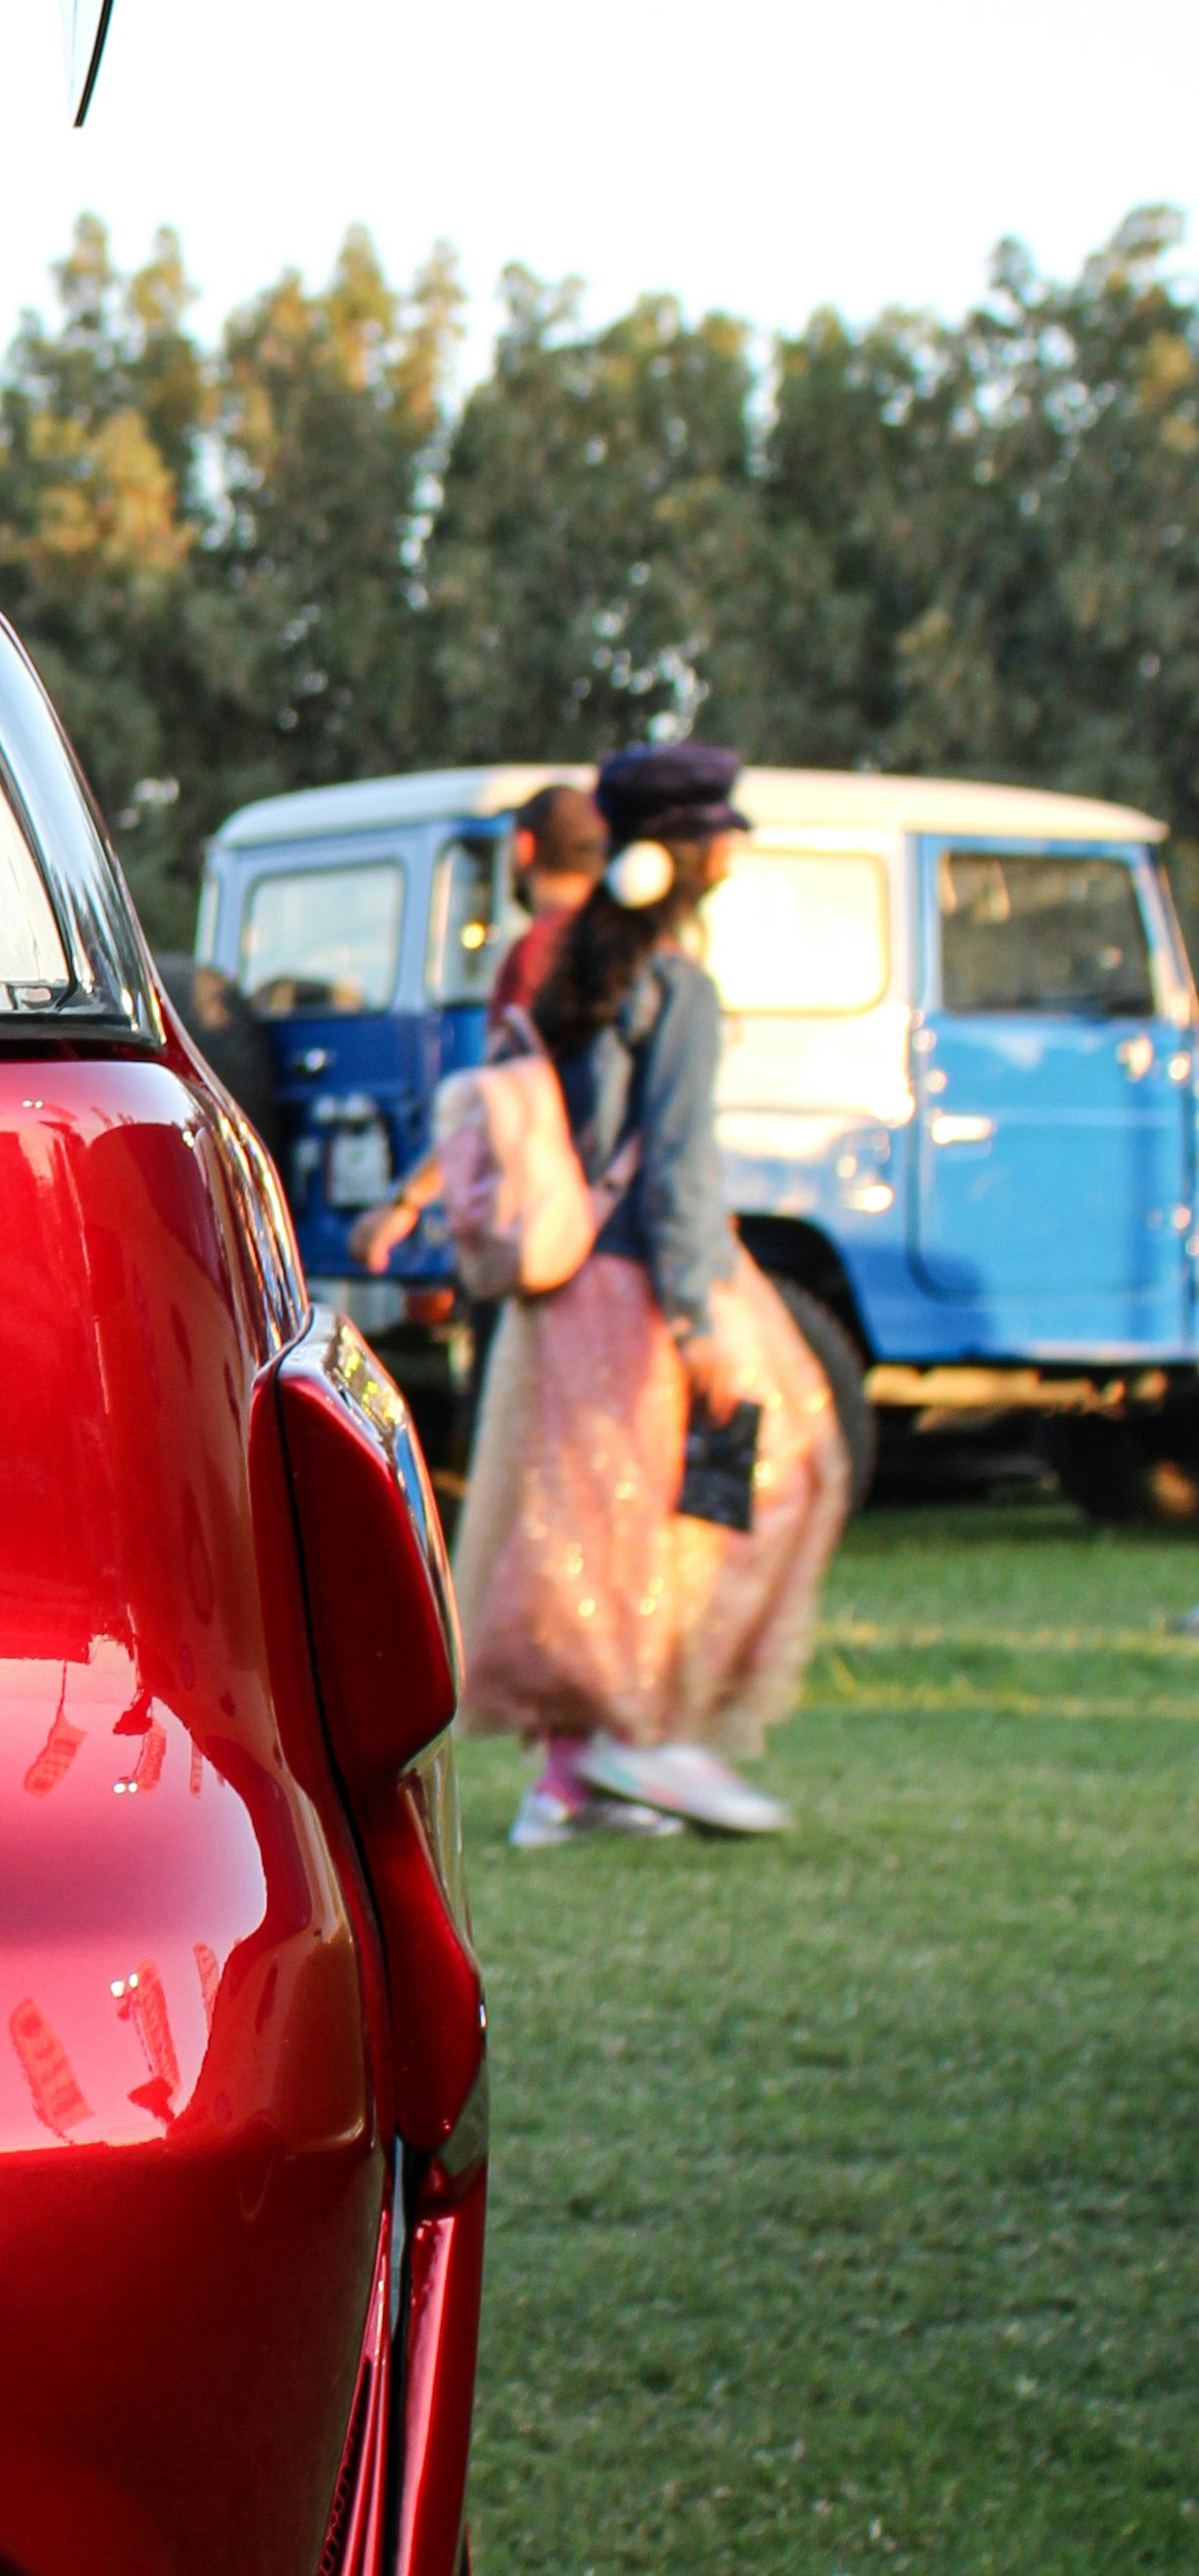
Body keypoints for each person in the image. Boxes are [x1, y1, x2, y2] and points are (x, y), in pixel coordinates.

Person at [454, 737, 853, 1845]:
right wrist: (694, 1322)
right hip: (642, 1286)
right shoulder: (673, 985)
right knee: (768, 1474)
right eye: (716, 831)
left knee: (587, 1523)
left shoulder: (573, 963)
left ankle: (574, 1778)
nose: (729, 849)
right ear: (683, 851)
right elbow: (674, 1166)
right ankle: (647, 1739)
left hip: (561, 1289)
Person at [352, 779, 609, 1269]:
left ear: (525, 847)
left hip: (546, 1226)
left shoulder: (535, 954)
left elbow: (492, 1100)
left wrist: (404, 1203)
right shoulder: (631, 951)